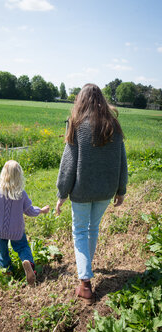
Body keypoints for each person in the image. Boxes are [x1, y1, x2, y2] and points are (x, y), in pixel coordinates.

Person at [55, 83, 128, 304]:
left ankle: (85, 283)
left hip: (82, 190)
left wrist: (62, 194)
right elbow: (122, 161)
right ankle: (86, 268)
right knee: (92, 229)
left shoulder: (77, 125)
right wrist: (121, 190)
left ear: (81, 101)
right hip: (105, 190)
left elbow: (68, 164)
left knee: (79, 231)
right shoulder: (113, 125)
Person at [0, 160, 49, 286]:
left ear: (3, 174)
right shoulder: (21, 194)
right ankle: (28, 263)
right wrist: (40, 210)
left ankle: (7, 272)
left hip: (0, 230)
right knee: (22, 247)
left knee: (2, 252)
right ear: (19, 176)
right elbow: (29, 210)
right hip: (16, 230)